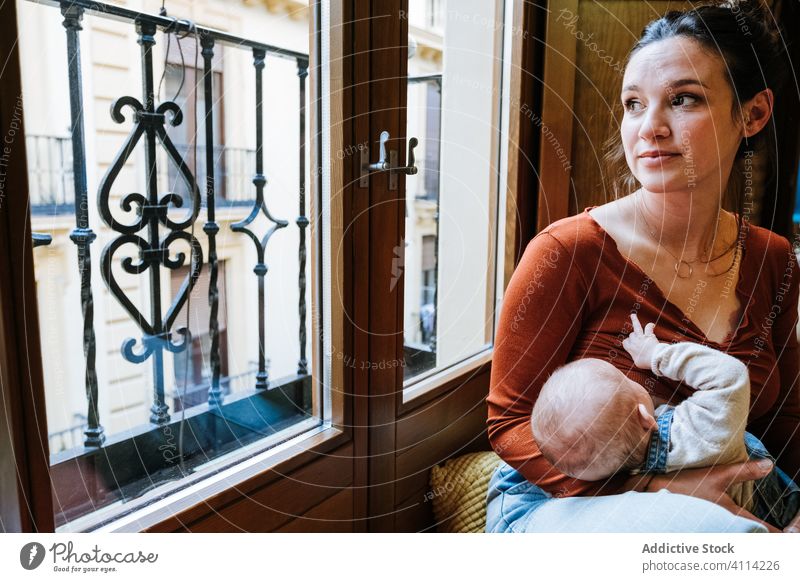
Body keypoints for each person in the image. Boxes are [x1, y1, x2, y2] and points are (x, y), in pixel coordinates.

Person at [486, 1, 800, 533]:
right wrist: (661, 489)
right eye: (634, 104)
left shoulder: (772, 259)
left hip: (740, 498)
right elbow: (510, 423)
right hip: (560, 503)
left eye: (683, 99)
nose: (649, 127)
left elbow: (785, 420)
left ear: (753, 114)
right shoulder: (568, 251)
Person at [529, 313, 800, 530]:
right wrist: (656, 355)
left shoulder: (632, 487)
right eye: (625, 379)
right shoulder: (699, 429)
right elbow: (731, 377)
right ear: (646, 419)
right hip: (779, 510)